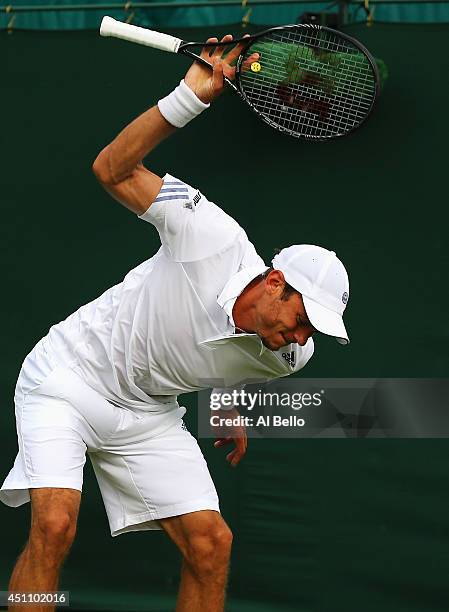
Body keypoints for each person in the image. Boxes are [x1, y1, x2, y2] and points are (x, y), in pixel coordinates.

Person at [0, 34, 349, 612]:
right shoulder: (211, 235)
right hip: (68, 379)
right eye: (303, 318)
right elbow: (111, 169)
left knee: (211, 545)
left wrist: (230, 406)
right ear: (274, 282)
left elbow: (239, 360)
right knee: (56, 526)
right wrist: (191, 96)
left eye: (316, 330)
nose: (302, 337)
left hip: (147, 415)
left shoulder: (289, 353)